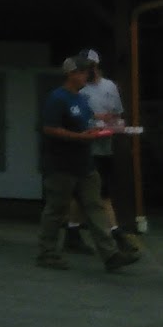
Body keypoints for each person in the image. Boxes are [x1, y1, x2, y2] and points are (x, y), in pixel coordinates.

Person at [36, 53, 141, 272]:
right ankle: (47, 253)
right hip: (61, 165)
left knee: (95, 207)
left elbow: (87, 123)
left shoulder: (82, 99)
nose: (87, 75)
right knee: (56, 209)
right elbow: (49, 128)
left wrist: (96, 131)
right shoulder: (58, 99)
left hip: (85, 164)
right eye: (83, 71)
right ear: (71, 74)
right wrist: (79, 137)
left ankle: (110, 255)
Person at [65, 48, 129, 251]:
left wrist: (114, 124)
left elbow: (117, 115)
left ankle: (73, 232)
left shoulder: (110, 86)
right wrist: (94, 120)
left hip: (104, 147)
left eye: (89, 67)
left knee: (96, 192)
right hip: (85, 147)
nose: (86, 71)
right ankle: (114, 234)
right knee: (95, 193)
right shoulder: (79, 90)